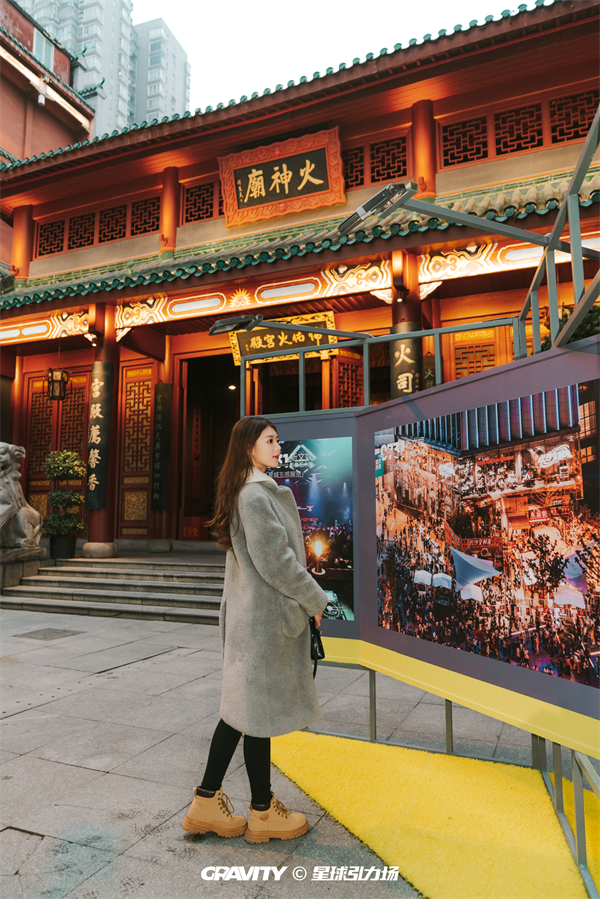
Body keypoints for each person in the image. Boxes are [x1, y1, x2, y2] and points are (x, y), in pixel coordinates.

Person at [181, 416, 328, 844]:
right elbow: (277, 561)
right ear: (249, 447)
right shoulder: (254, 494)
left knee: (247, 715)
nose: (278, 447)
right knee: (247, 715)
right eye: (270, 440)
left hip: (254, 619)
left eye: (278, 440)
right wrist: (315, 599)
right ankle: (251, 811)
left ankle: (223, 804)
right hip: (262, 623)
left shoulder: (246, 491)